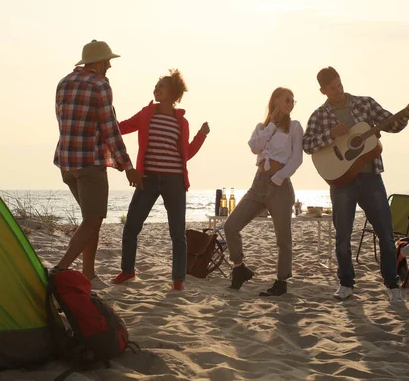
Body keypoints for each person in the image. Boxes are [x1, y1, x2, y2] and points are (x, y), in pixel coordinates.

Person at [302, 66, 409, 302]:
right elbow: (307, 145)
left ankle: (392, 285)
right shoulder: (319, 115)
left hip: (371, 177)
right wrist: (332, 134)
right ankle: (346, 284)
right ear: (323, 90)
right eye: (332, 88)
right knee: (343, 236)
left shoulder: (365, 103)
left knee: (385, 233)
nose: (338, 90)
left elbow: (390, 124)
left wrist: (406, 114)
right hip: (341, 181)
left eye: (339, 84)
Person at [54, 39, 144, 290]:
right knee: (93, 220)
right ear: (101, 62)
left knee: (89, 219)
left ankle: (89, 274)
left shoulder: (64, 82)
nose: (110, 67)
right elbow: (109, 130)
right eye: (108, 61)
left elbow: (62, 120)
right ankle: (60, 269)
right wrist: (127, 166)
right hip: (89, 163)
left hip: (66, 162)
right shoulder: (101, 85)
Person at [111, 69, 210, 291]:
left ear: (173, 93)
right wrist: (107, 119)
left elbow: (186, 153)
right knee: (132, 226)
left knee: (177, 231)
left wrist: (201, 135)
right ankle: (128, 271)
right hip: (148, 178)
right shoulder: (147, 114)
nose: (156, 89)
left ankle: (178, 279)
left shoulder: (181, 122)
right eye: (156, 86)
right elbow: (123, 127)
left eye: (161, 86)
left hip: (175, 180)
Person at [224, 87, 303, 297]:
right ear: (275, 100)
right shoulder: (262, 127)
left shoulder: (295, 127)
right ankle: (239, 268)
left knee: (283, 238)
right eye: (287, 99)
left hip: (280, 186)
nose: (291, 103)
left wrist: (278, 178)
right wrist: (271, 125)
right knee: (231, 225)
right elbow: (254, 147)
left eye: (293, 101)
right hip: (258, 184)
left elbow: (297, 159)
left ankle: (281, 281)